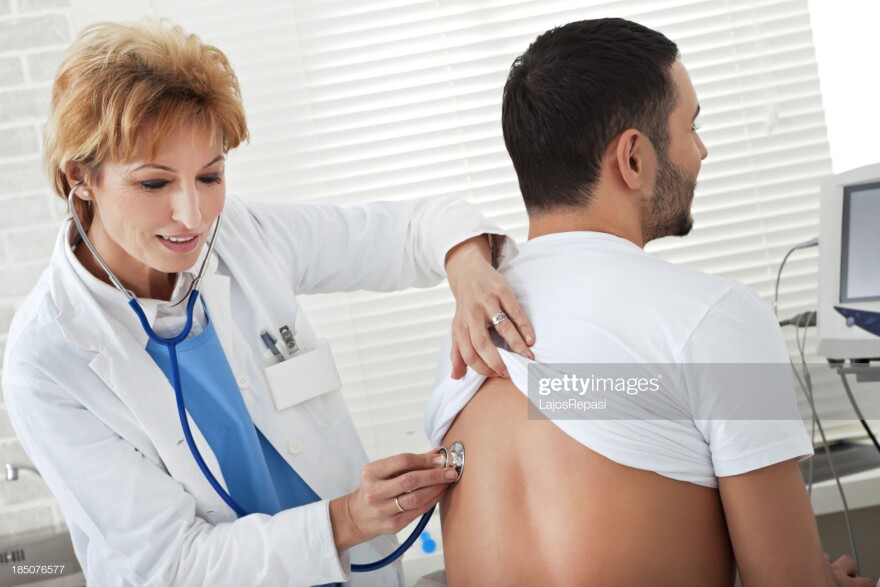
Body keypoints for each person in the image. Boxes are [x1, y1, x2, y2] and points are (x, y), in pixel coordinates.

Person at [1, 19, 538, 586]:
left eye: (210, 175)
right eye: (155, 184)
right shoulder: (47, 360)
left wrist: (469, 267)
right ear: (80, 176)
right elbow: (175, 564)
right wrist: (348, 519)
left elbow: (413, 229)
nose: (192, 215)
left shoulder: (240, 236)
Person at [424, 18, 876, 587]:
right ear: (633, 158)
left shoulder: (466, 338)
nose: (702, 151)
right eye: (691, 127)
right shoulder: (712, 319)